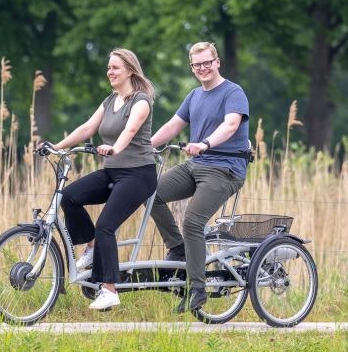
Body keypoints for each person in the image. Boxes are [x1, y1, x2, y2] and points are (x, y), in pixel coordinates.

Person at [47, 48, 157, 310]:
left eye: (115, 68)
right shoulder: (110, 101)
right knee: (69, 197)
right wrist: (57, 146)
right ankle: (92, 246)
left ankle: (109, 290)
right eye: (108, 67)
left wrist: (115, 148)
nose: (110, 72)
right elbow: (87, 128)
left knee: (106, 225)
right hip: (112, 172)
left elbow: (130, 130)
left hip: (138, 174)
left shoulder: (141, 101)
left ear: (129, 70)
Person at [150, 42, 249, 312]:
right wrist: (144, 147)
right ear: (192, 67)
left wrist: (205, 143)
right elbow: (173, 125)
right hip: (196, 165)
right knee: (149, 193)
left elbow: (230, 125)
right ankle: (177, 247)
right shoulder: (194, 96)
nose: (203, 68)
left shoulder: (233, 92)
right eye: (197, 64)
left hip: (225, 169)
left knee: (193, 221)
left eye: (207, 62)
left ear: (217, 62)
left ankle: (197, 289)